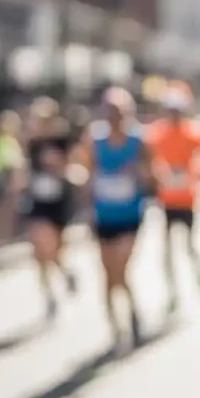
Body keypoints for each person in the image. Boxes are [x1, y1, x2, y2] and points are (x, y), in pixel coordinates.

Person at [81, 87, 151, 348]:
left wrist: (139, 172)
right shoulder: (94, 140)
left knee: (121, 267)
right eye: (110, 111)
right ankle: (115, 323)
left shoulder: (139, 141)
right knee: (107, 272)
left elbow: (150, 174)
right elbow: (87, 174)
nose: (114, 117)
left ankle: (133, 314)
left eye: (119, 112)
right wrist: (87, 209)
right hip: (103, 213)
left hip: (130, 213)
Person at [147, 83, 200, 311]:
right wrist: (158, 174)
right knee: (167, 249)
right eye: (171, 110)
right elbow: (148, 159)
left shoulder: (194, 132)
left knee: (190, 246)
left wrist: (197, 172)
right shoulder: (157, 133)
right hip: (167, 200)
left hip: (188, 199)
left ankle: (199, 275)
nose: (174, 115)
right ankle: (173, 293)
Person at [21, 98, 78, 320]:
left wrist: (61, 168)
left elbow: (74, 166)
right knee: (39, 250)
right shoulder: (32, 145)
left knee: (55, 250)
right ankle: (48, 294)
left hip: (59, 201)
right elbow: (25, 170)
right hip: (38, 202)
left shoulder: (62, 142)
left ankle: (65, 274)